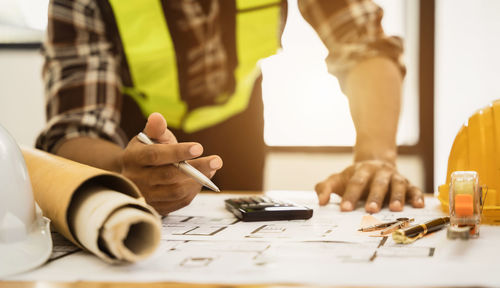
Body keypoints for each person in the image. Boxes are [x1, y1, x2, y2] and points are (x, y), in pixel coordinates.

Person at [37, 0, 424, 216]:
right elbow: (74, 130)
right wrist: (124, 170)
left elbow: (365, 45)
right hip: (130, 139)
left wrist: (377, 157)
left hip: (238, 126)